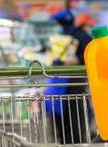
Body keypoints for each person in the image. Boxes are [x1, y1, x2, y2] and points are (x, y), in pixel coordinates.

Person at [46, 9, 94, 143]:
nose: (56, 26)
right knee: (61, 118)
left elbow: (88, 55)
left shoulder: (80, 36)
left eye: (57, 23)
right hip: (58, 84)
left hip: (73, 84)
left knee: (75, 118)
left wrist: (69, 62)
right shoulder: (60, 37)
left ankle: (77, 142)